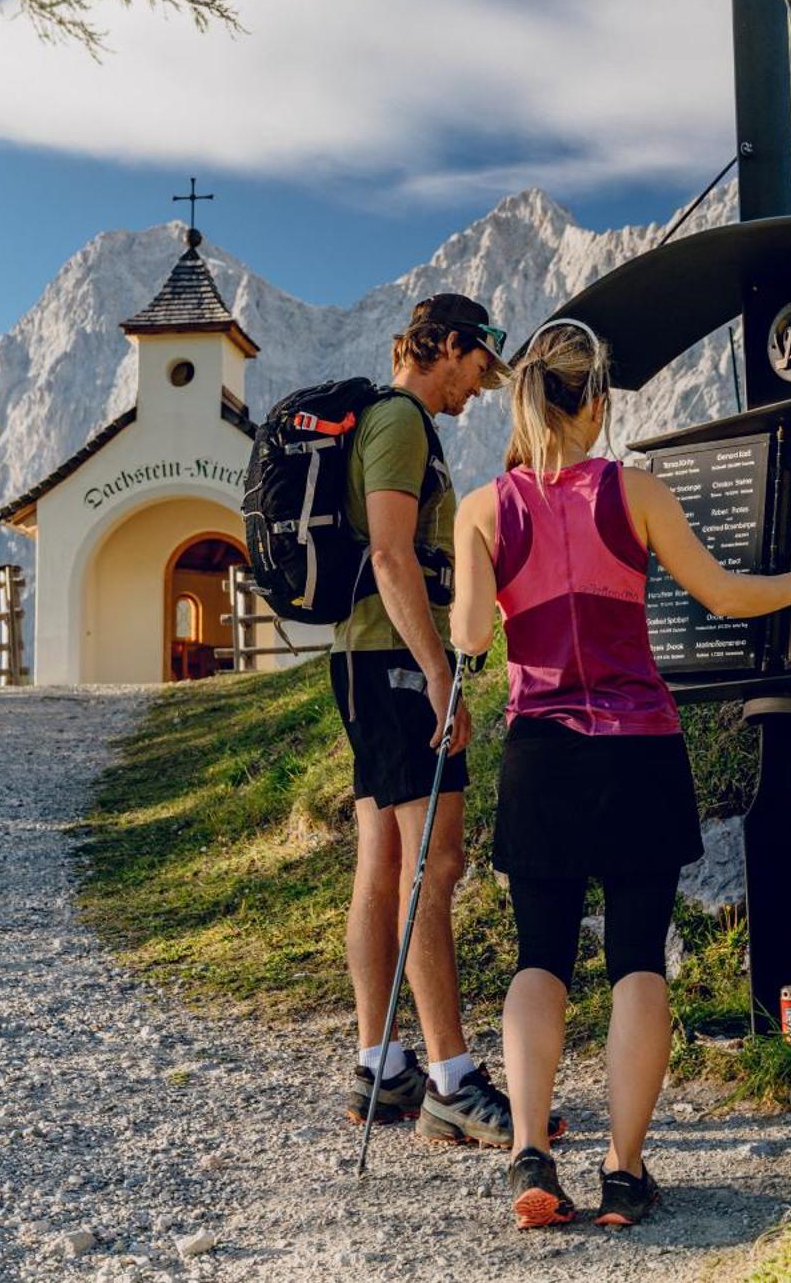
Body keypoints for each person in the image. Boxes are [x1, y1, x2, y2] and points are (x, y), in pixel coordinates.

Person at [450, 318, 791, 1230]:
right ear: (597, 403)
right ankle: (625, 1173)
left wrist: (483, 574)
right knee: (637, 956)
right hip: (638, 747)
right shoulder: (634, 492)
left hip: (542, 752)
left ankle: (528, 1155)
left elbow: (472, 636)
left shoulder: (483, 508)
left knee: (539, 955)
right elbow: (725, 595)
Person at [338, 293, 550, 1150]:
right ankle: (452, 1080)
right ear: (449, 346)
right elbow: (391, 553)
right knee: (438, 856)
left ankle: (381, 1067)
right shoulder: (399, 422)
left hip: (366, 658)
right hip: (393, 661)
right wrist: (437, 674)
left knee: (385, 856)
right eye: (476, 369)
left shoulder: (386, 421)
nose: (477, 390)